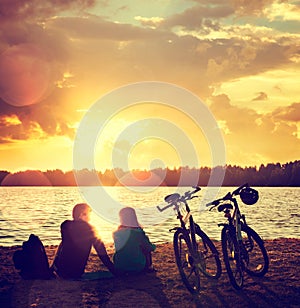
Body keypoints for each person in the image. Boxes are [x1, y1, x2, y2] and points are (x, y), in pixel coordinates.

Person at [51, 203, 116, 279]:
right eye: (89, 214)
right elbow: (102, 253)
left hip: (61, 271)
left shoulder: (65, 225)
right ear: (82, 214)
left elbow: (66, 245)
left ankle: (53, 267)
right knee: (105, 275)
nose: (90, 218)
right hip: (75, 274)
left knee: (62, 243)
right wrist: (114, 271)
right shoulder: (91, 229)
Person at [113, 207, 156, 275]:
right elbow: (149, 247)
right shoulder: (138, 233)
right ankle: (149, 267)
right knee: (146, 249)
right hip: (137, 267)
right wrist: (154, 246)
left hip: (120, 266)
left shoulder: (116, 233)